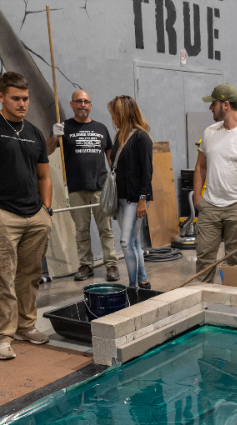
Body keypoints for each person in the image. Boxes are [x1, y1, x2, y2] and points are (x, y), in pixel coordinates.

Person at [0, 71, 53, 361]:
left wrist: (46, 209)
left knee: (30, 276)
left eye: (25, 99)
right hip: (2, 215)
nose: (22, 104)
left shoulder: (34, 133)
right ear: (1, 96)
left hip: (35, 216)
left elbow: (44, 174)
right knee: (3, 278)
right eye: (15, 98)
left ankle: (26, 326)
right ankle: (3, 336)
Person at [47, 90, 118, 282]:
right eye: (78, 101)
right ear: (71, 104)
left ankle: (111, 264)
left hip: (101, 187)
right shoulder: (65, 127)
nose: (82, 105)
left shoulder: (101, 128)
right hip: (76, 187)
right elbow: (47, 150)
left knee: (106, 230)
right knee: (81, 231)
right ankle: (86, 265)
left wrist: (115, 179)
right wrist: (54, 135)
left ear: (91, 105)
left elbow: (110, 156)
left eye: (86, 101)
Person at [193, 84, 237, 284]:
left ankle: (230, 305)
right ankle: (203, 301)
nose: (211, 108)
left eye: (214, 103)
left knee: (235, 262)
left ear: (226, 105)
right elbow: (200, 167)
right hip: (210, 205)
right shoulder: (210, 132)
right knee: (204, 260)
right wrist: (197, 199)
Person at [106, 95, 153, 290]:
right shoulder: (119, 137)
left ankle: (132, 286)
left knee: (125, 242)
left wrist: (143, 199)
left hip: (135, 198)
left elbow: (147, 171)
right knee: (133, 242)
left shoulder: (141, 137)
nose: (112, 118)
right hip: (122, 197)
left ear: (122, 114)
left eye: (114, 114)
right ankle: (143, 280)